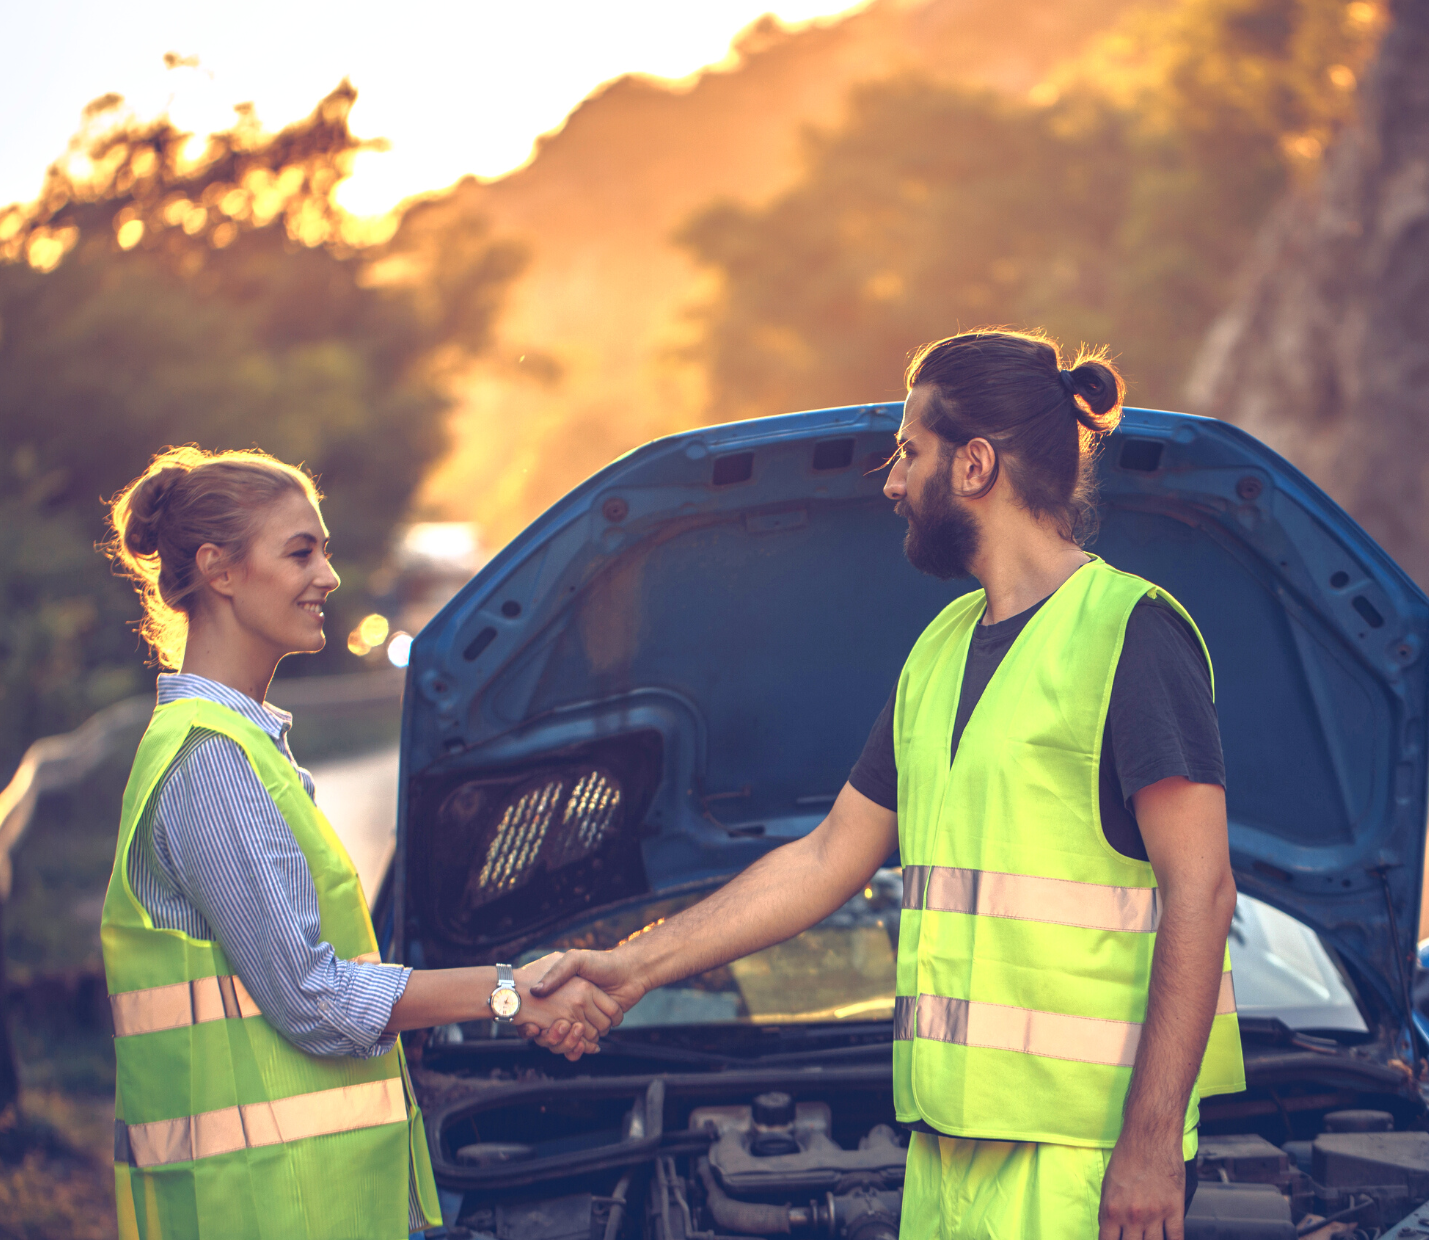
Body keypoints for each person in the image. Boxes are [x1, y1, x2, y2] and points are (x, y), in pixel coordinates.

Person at [529, 329, 1246, 1240]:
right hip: (948, 1154)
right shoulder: (940, 649)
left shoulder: (1131, 635)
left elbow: (1203, 888)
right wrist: (630, 968)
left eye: (910, 452)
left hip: (1083, 1162)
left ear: (976, 464)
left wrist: (1149, 1150)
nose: (892, 482)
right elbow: (827, 859)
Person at [97, 446, 617, 1240]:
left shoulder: (241, 750)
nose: (329, 578)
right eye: (301, 551)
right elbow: (312, 1001)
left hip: (299, 1200)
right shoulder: (211, 764)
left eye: (326, 551)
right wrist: (509, 990)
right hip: (271, 1208)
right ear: (220, 570)